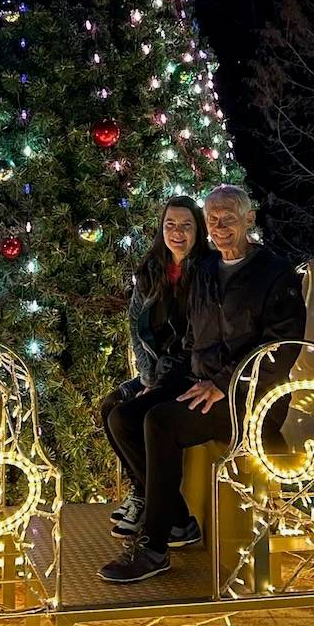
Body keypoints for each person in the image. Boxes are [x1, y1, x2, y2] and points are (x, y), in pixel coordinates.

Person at [99, 184, 306, 584]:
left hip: (252, 398)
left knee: (161, 422)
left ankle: (154, 547)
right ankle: (178, 520)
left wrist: (224, 382)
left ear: (249, 219)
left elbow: (282, 347)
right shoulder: (207, 270)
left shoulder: (275, 272)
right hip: (202, 383)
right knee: (125, 415)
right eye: (213, 219)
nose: (220, 227)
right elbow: (192, 340)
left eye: (229, 218)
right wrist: (161, 384)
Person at [101, 195, 210, 541]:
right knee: (110, 405)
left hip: (187, 374)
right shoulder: (151, 270)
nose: (177, 233)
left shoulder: (206, 272)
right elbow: (137, 327)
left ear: (199, 230)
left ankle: (173, 517)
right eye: (170, 225)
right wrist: (147, 379)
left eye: (186, 225)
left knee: (126, 418)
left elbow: (195, 342)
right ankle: (145, 495)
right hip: (158, 372)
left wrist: (158, 385)